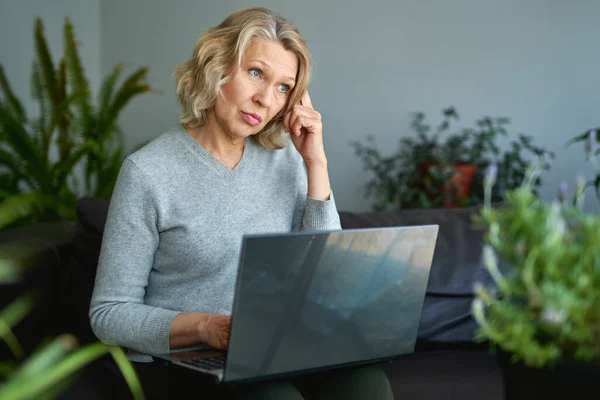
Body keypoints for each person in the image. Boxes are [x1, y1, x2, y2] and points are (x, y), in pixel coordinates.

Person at [89, 6, 394, 399]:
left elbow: (327, 279)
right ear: (217, 67)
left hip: (279, 348)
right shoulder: (148, 172)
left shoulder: (287, 159)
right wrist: (206, 327)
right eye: (256, 73)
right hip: (188, 361)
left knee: (367, 386)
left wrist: (316, 162)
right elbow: (109, 313)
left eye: (284, 87)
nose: (266, 99)